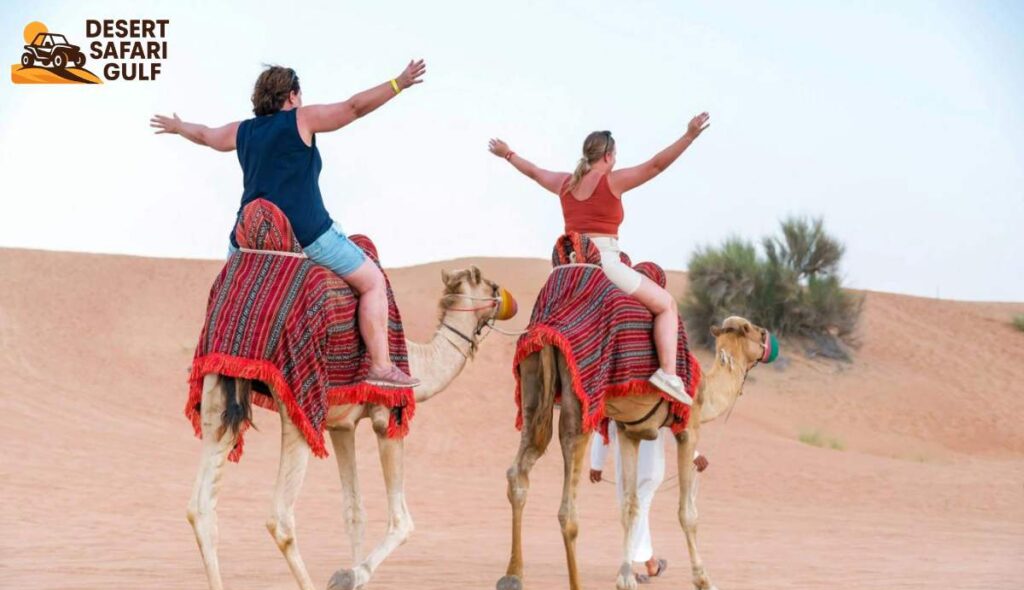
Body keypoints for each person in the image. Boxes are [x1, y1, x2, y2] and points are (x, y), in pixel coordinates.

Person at [151, 61, 427, 387]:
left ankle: (212, 357)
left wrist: (179, 127)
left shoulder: (242, 131)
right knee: (373, 282)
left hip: (248, 239)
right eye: (300, 94)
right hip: (307, 235)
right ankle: (380, 366)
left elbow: (205, 135)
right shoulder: (302, 119)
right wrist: (398, 83)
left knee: (229, 292)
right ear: (292, 95)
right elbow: (353, 108)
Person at [487, 115, 710, 403]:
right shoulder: (612, 181)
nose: (615, 160)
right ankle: (668, 373)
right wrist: (689, 136)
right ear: (607, 156)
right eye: (615, 155)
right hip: (604, 263)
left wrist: (508, 154)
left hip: (567, 269)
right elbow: (656, 165)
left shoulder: (564, 183)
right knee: (666, 305)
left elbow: (534, 172)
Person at [589, 422, 709, 582]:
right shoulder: (659, 401)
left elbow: (604, 424)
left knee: (634, 511)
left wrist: (597, 463)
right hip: (642, 468)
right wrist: (694, 454)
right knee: (636, 511)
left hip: (634, 468)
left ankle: (637, 565)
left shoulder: (617, 404)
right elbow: (675, 424)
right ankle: (646, 564)